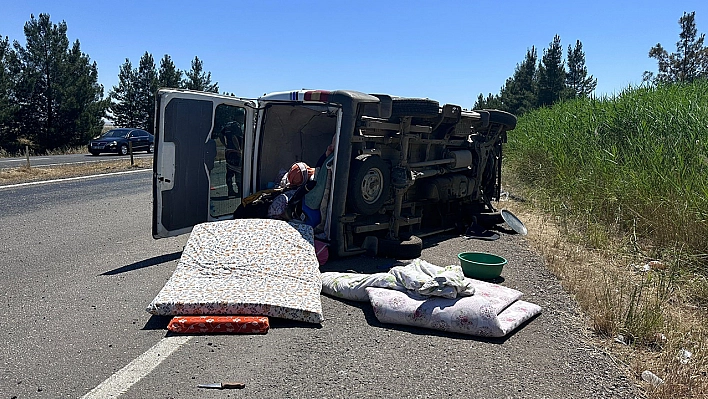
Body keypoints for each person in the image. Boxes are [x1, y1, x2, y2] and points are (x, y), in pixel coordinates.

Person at [218, 121, 243, 197]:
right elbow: (234, 137)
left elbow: (220, 135)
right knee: (238, 170)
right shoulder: (236, 125)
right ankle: (240, 190)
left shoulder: (227, 125)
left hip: (229, 151)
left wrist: (225, 145)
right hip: (235, 151)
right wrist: (238, 149)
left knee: (229, 170)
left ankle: (230, 190)